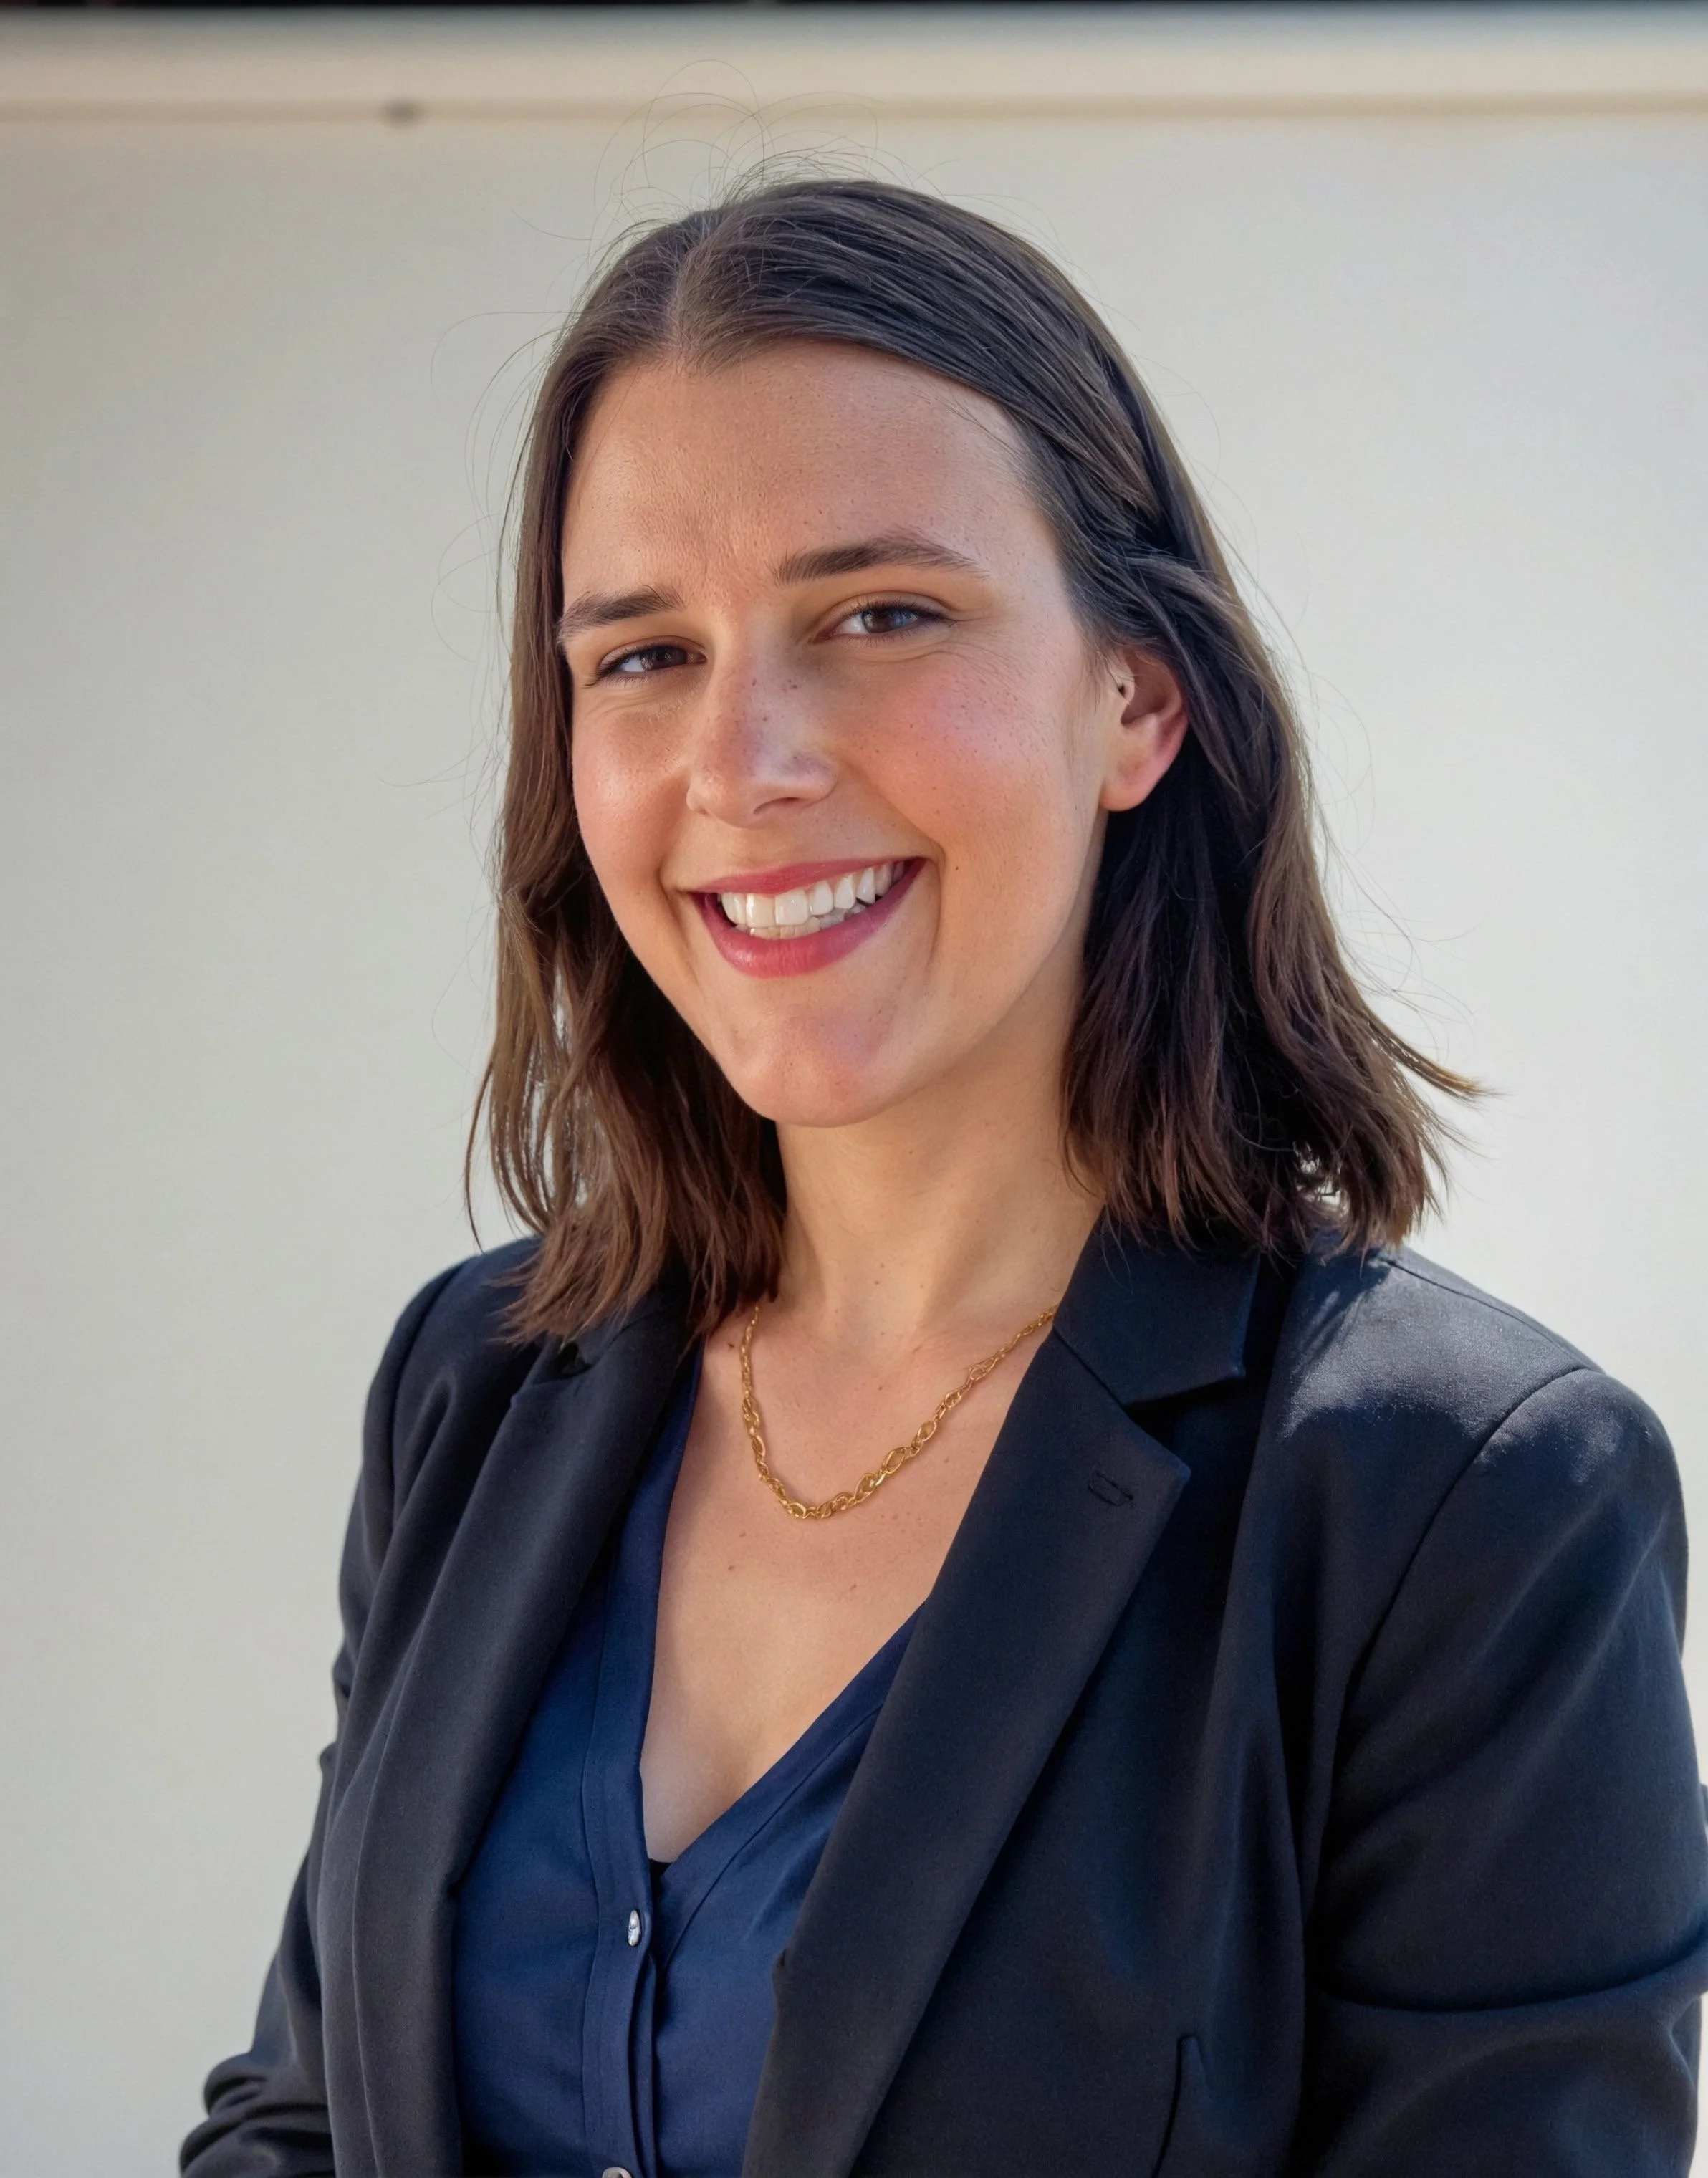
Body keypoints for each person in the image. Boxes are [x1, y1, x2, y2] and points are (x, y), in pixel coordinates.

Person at [181, 177, 1708, 2178]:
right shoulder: (474, 1390)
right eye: (641, 655)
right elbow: (310, 2118)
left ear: (1135, 702)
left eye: (880, 616)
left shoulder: (1458, 1505)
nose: (746, 760)